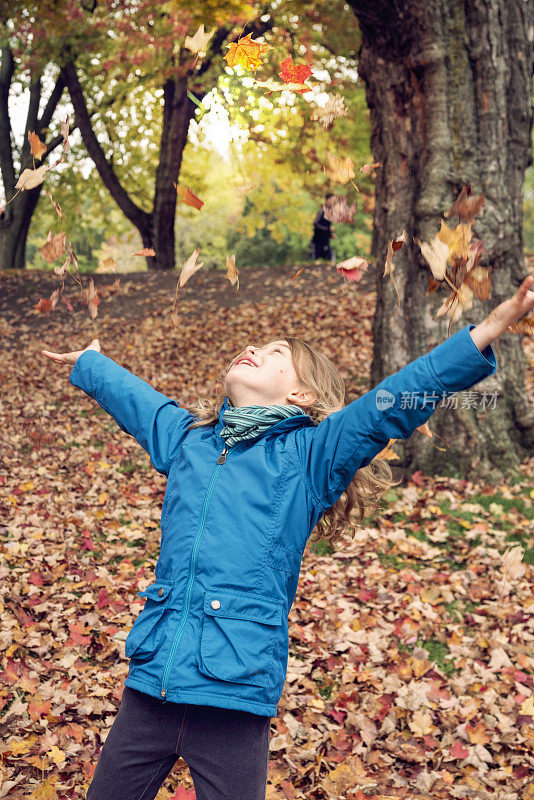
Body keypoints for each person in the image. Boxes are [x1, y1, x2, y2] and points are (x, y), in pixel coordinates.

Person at [40, 275, 534, 800]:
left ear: (301, 394)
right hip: (152, 685)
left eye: (275, 352)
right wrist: (92, 363)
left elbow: (392, 401)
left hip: (233, 695)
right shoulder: (191, 443)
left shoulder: (310, 457)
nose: (252, 348)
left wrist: (491, 327)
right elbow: (142, 405)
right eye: (254, 345)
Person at [311, 193, 335, 262]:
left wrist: (330, 234)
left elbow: (327, 226)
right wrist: (328, 229)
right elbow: (315, 224)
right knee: (317, 261)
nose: (333, 202)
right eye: (332, 200)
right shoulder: (321, 211)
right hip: (318, 241)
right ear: (327, 200)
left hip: (326, 241)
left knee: (328, 260)